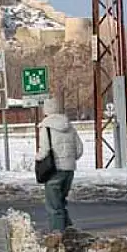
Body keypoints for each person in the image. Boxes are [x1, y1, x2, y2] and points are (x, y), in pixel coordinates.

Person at [36, 98, 83, 233]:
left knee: (53, 207)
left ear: (46, 110)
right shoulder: (69, 126)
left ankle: (58, 237)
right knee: (61, 203)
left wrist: (37, 158)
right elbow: (79, 150)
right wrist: (69, 159)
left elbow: (44, 151)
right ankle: (70, 233)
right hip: (69, 170)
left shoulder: (46, 127)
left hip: (54, 170)